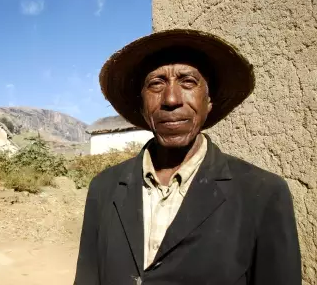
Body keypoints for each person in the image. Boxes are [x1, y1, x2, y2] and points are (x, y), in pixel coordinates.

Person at [73, 29, 301, 285]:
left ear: (209, 101)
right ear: (141, 105)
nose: (171, 99)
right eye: (156, 83)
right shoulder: (104, 187)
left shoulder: (263, 194)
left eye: (188, 82)